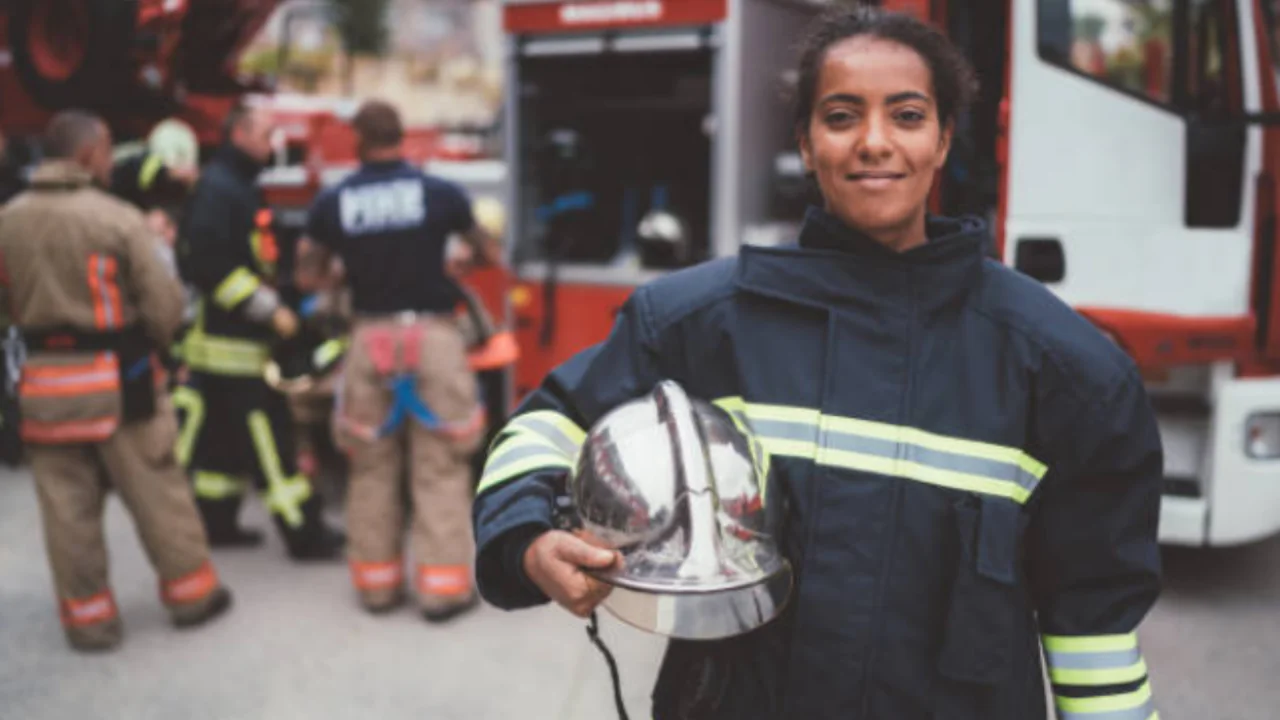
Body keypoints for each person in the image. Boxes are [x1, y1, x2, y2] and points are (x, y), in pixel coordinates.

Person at [472, 7, 1163, 720]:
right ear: (805, 143)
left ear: (943, 137)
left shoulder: (1061, 370)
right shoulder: (700, 323)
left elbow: (1096, 631)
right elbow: (548, 424)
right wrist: (527, 540)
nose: (873, 142)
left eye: (906, 115)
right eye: (841, 117)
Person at [0, 110, 232, 652]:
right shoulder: (118, 219)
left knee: (67, 511)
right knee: (158, 492)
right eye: (106, 152)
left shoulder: (6, 220)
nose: (110, 161)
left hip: (42, 392)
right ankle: (192, 597)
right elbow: (165, 307)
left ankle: (89, 623)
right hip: (119, 387)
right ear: (88, 154)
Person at [303, 100, 502, 620]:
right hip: (433, 337)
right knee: (439, 466)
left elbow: (308, 272)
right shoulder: (438, 194)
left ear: (357, 143)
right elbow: (487, 251)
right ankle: (442, 591)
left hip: (370, 338)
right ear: (404, 138)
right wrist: (456, 260)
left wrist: (346, 276)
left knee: (371, 466)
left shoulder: (335, 201)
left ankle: (377, 586)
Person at [174, 103, 344, 559]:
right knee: (271, 442)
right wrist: (270, 311)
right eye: (267, 135)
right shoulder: (219, 190)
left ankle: (217, 521)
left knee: (219, 445)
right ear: (239, 133)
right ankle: (304, 532)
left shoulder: (235, 186)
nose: (275, 145)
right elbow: (209, 266)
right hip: (234, 347)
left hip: (226, 347)